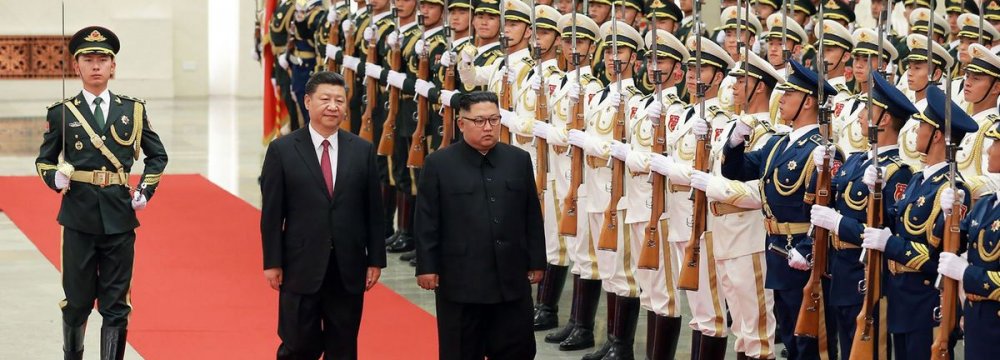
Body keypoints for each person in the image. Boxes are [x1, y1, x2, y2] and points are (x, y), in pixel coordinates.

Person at [35, 26, 168, 360]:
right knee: (77, 302)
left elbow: (157, 156)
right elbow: (44, 160)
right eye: (88, 59)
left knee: (116, 304)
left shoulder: (133, 110)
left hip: (119, 217)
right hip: (78, 216)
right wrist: (55, 179)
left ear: (113, 67)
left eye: (103, 60)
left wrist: (145, 191)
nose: (96, 66)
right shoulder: (62, 112)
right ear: (76, 67)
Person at [260, 71, 387, 360]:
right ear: (307, 101)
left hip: (348, 266)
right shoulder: (282, 150)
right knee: (298, 344)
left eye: (339, 100)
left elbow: (374, 212)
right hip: (300, 265)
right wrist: (272, 262)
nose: (333, 106)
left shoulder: (362, 149)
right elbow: (271, 214)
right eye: (325, 99)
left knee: (343, 345)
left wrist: (375, 259)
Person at [414, 91, 546, 360]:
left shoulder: (518, 160)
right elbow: (427, 220)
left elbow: (531, 215)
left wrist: (537, 261)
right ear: (461, 123)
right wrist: (427, 267)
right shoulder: (439, 164)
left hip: (510, 281)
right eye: (480, 121)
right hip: (461, 283)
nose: (488, 127)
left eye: (494, 120)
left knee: (517, 349)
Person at [860, 85, 974, 360]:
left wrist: (890, 244)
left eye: (922, 125)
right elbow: (897, 223)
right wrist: (875, 193)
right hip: (901, 297)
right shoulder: (917, 179)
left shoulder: (953, 189)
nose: (915, 130)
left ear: (936, 136)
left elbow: (937, 259)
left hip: (925, 301)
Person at [937, 121, 1000, 360]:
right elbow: (955, 241)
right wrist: (949, 214)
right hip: (977, 321)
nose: (989, 150)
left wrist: (966, 273)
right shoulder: (985, 204)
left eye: (995, 143)